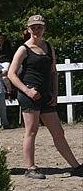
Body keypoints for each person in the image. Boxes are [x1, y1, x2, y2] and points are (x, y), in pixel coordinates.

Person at [7, 15, 82, 179]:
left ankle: (76, 166)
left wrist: (55, 93)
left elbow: (53, 72)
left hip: (46, 96)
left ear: (44, 28)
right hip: (29, 95)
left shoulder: (48, 47)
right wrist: (27, 91)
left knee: (58, 131)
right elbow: (11, 74)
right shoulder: (23, 49)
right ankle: (30, 168)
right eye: (33, 27)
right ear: (28, 29)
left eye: (39, 27)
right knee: (31, 130)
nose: (36, 30)